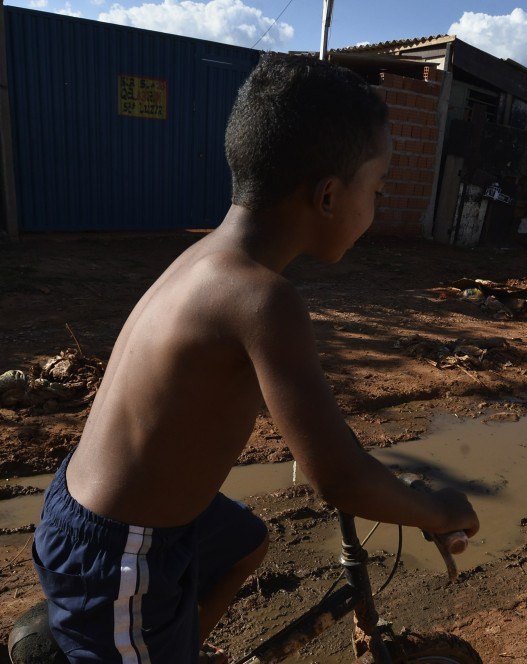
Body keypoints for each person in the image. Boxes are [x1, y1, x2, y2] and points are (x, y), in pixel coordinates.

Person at [31, 53, 479, 664]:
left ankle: (182, 646)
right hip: (120, 554)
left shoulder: (210, 260)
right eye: (375, 189)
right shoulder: (262, 299)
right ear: (327, 196)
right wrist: (436, 509)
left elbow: (319, 433)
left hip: (100, 509)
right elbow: (340, 479)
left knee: (244, 543)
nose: (374, 208)